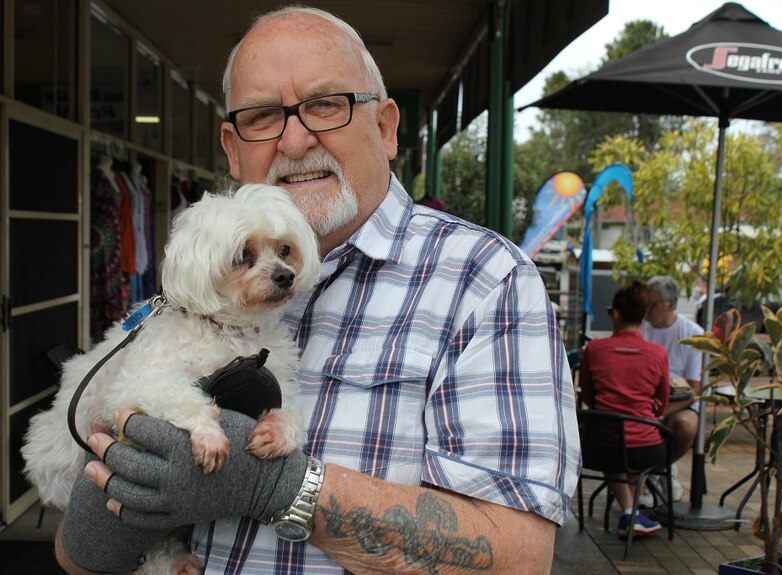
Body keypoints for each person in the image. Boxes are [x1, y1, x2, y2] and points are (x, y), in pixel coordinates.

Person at [54, 5, 580, 575]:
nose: (296, 140)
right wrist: (98, 522)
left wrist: (280, 486)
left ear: (384, 127)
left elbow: (517, 559)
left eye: (326, 105)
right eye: (262, 116)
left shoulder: (485, 281)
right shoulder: (199, 288)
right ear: (232, 147)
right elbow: (78, 558)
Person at [578, 280, 669, 538]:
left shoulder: (593, 350)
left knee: (612, 438)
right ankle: (632, 513)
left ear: (615, 314)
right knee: (633, 446)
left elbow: (587, 395)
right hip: (647, 449)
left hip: (602, 449)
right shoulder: (658, 353)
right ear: (643, 316)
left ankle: (630, 513)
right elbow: (662, 402)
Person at [641, 275, 705, 502]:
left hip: (680, 402)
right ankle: (648, 474)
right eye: (644, 303)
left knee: (686, 426)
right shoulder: (639, 328)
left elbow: (695, 388)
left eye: (652, 304)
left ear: (671, 304)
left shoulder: (693, 333)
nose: (646, 309)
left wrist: (664, 411)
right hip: (644, 399)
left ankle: (661, 469)